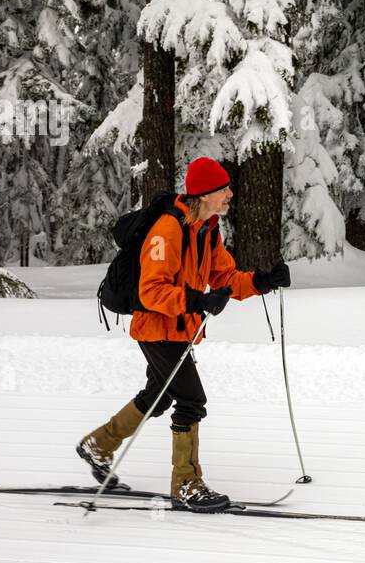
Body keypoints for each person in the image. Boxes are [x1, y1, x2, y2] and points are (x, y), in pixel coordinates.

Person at [76, 156, 291, 511]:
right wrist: (197, 300)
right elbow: (151, 291)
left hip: (179, 331)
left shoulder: (207, 230)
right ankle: (186, 484)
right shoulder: (167, 229)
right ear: (204, 194)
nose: (230, 194)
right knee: (191, 400)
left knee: (159, 397)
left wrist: (262, 281)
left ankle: (97, 445)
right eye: (224, 189)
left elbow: (226, 278)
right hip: (156, 329)